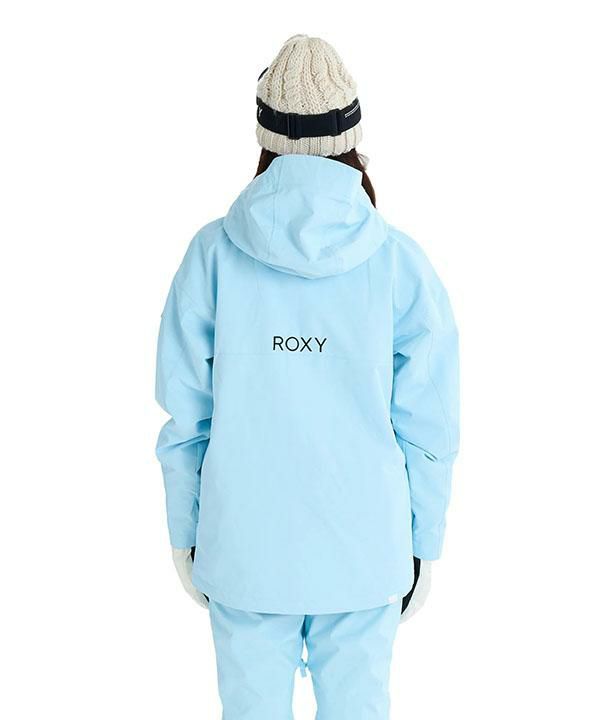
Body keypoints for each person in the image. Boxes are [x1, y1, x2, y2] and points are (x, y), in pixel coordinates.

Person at [156, 34, 459, 720]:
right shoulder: (399, 263)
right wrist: (424, 541)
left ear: (265, 135)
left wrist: (184, 530)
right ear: (351, 136)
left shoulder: (211, 255)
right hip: (366, 549)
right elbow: (430, 425)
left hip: (242, 546)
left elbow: (185, 415)